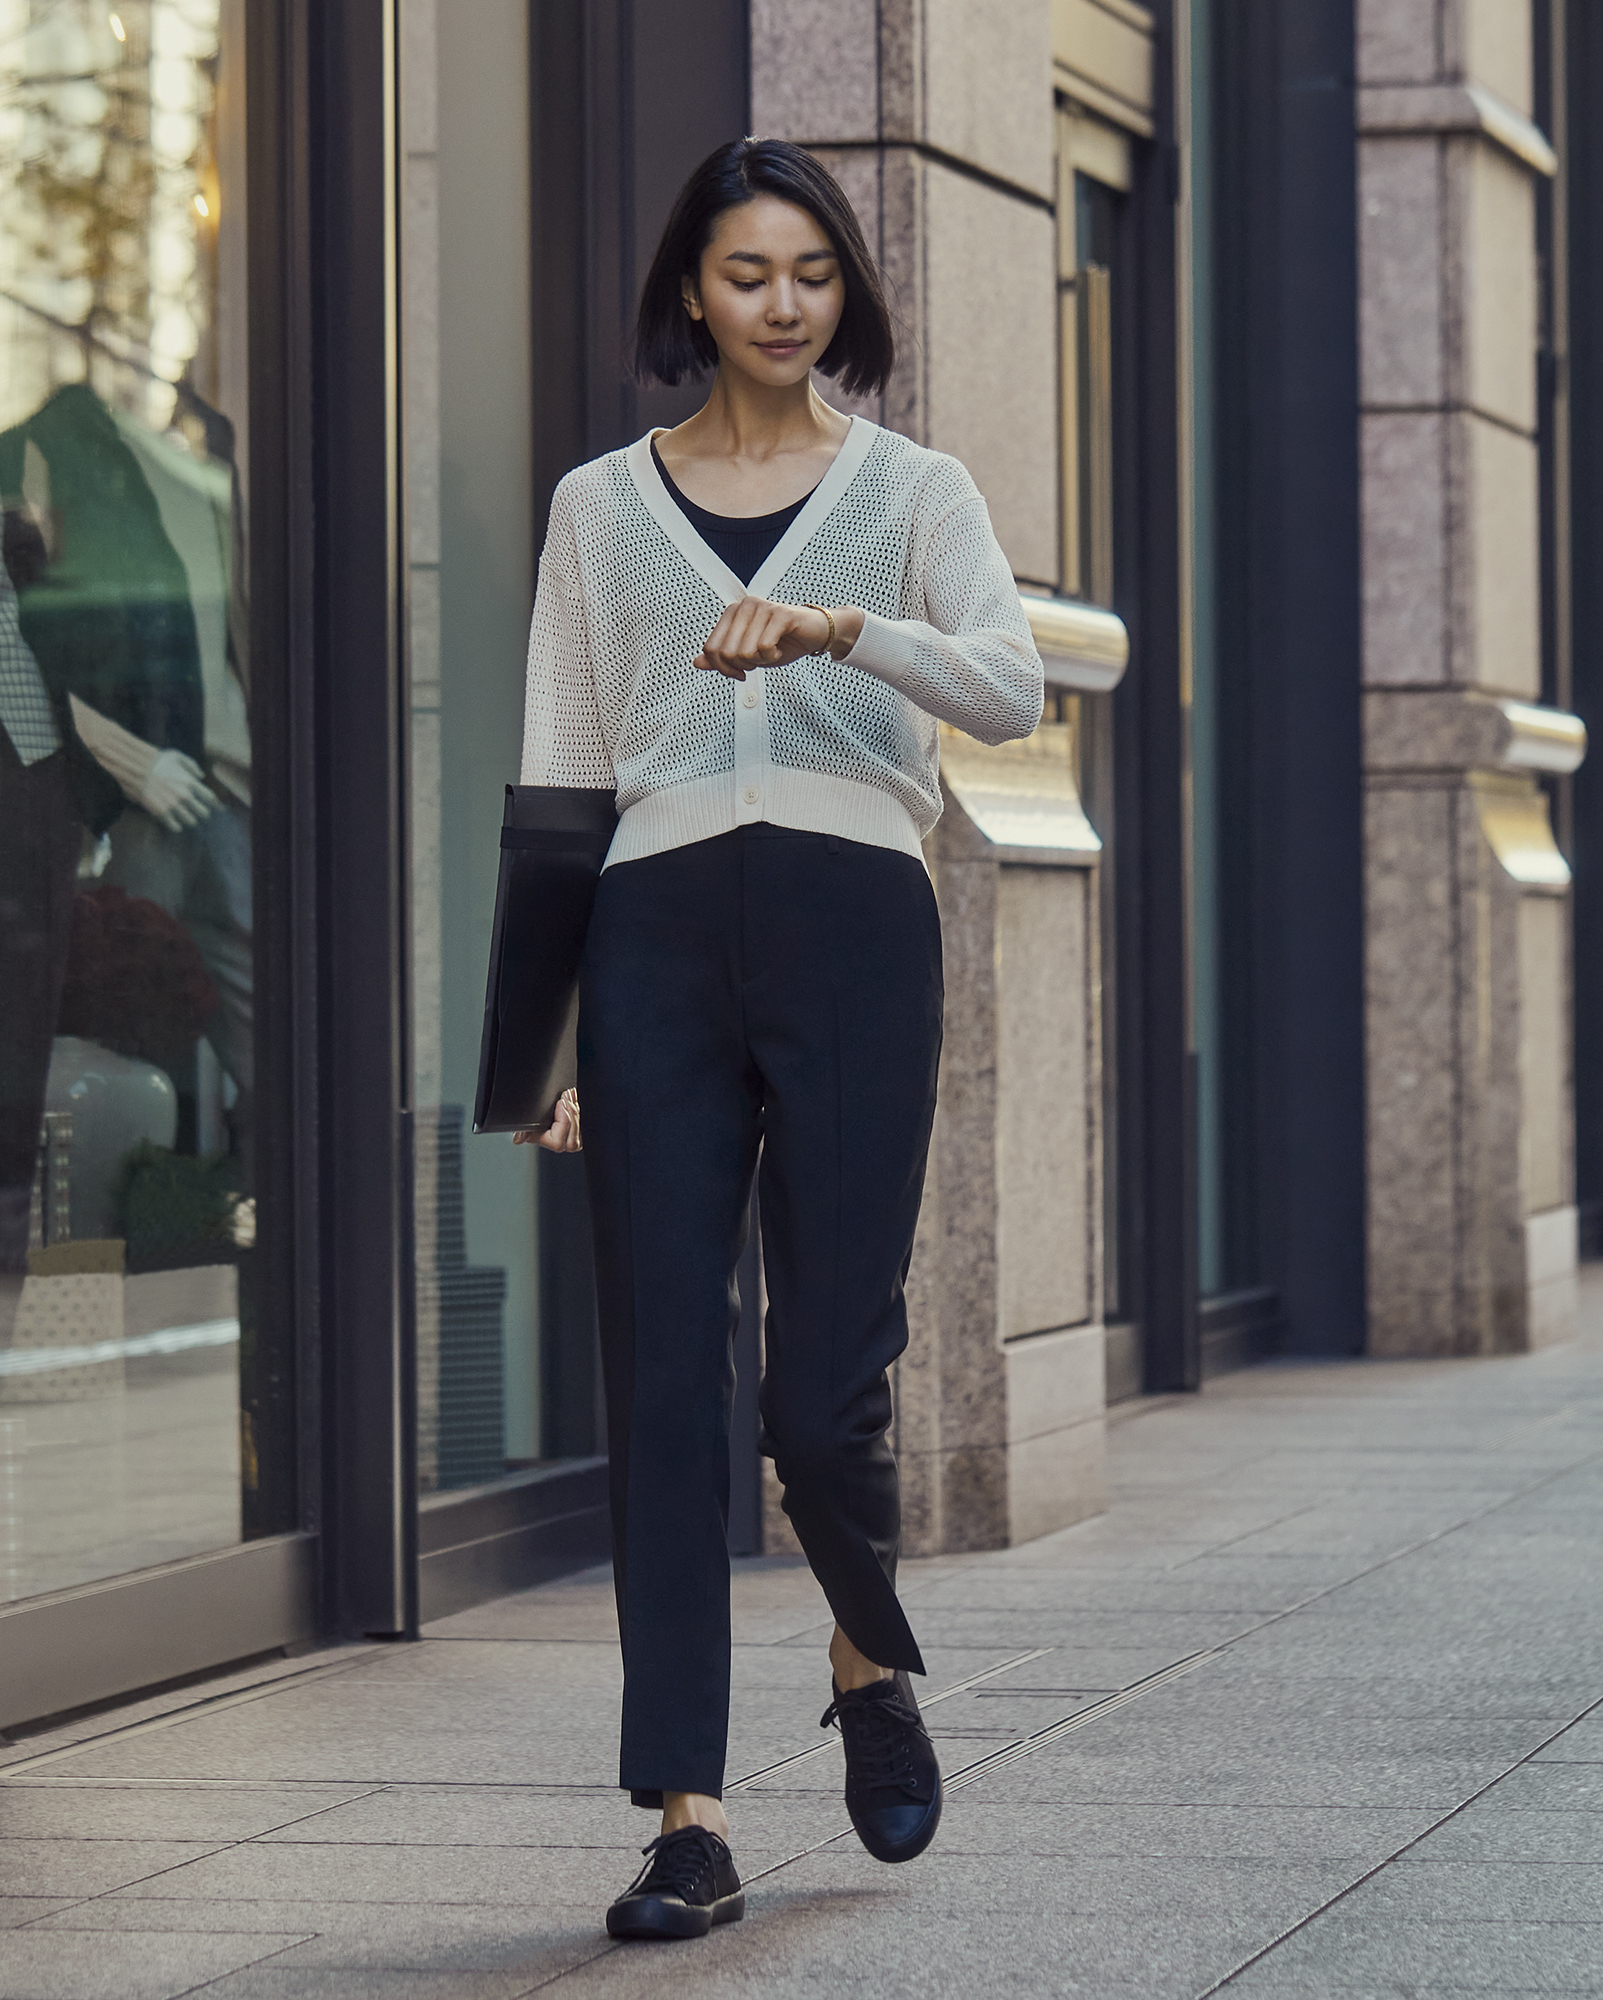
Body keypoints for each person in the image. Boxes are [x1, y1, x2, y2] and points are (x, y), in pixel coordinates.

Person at [513, 136, 1044, 1942]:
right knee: (666, 1382)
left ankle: (868, 1660)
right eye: (749, 274)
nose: (783, 304)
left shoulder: (910, 488)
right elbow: (568, 781)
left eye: (813, 273)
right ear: (690, 292)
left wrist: (841, 625)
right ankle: (686, 1817)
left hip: (851, 933)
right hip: (654, 944)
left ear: (849, 291)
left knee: (822, 1386)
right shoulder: (600, 509)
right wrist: (561, 1041)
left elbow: (1012, 681)